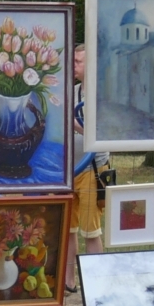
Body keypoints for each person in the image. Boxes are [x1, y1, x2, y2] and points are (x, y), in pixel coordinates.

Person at [65, 44, 106, 289]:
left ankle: (96, 284)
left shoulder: (103, 94)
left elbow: (101, 133)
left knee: (91, 230)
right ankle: (69, 281)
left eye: (78, 62)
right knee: (68, 228)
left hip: (92, 168)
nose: (74, 66)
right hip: (69, 170)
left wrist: (73, 124)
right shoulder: (72, 92)